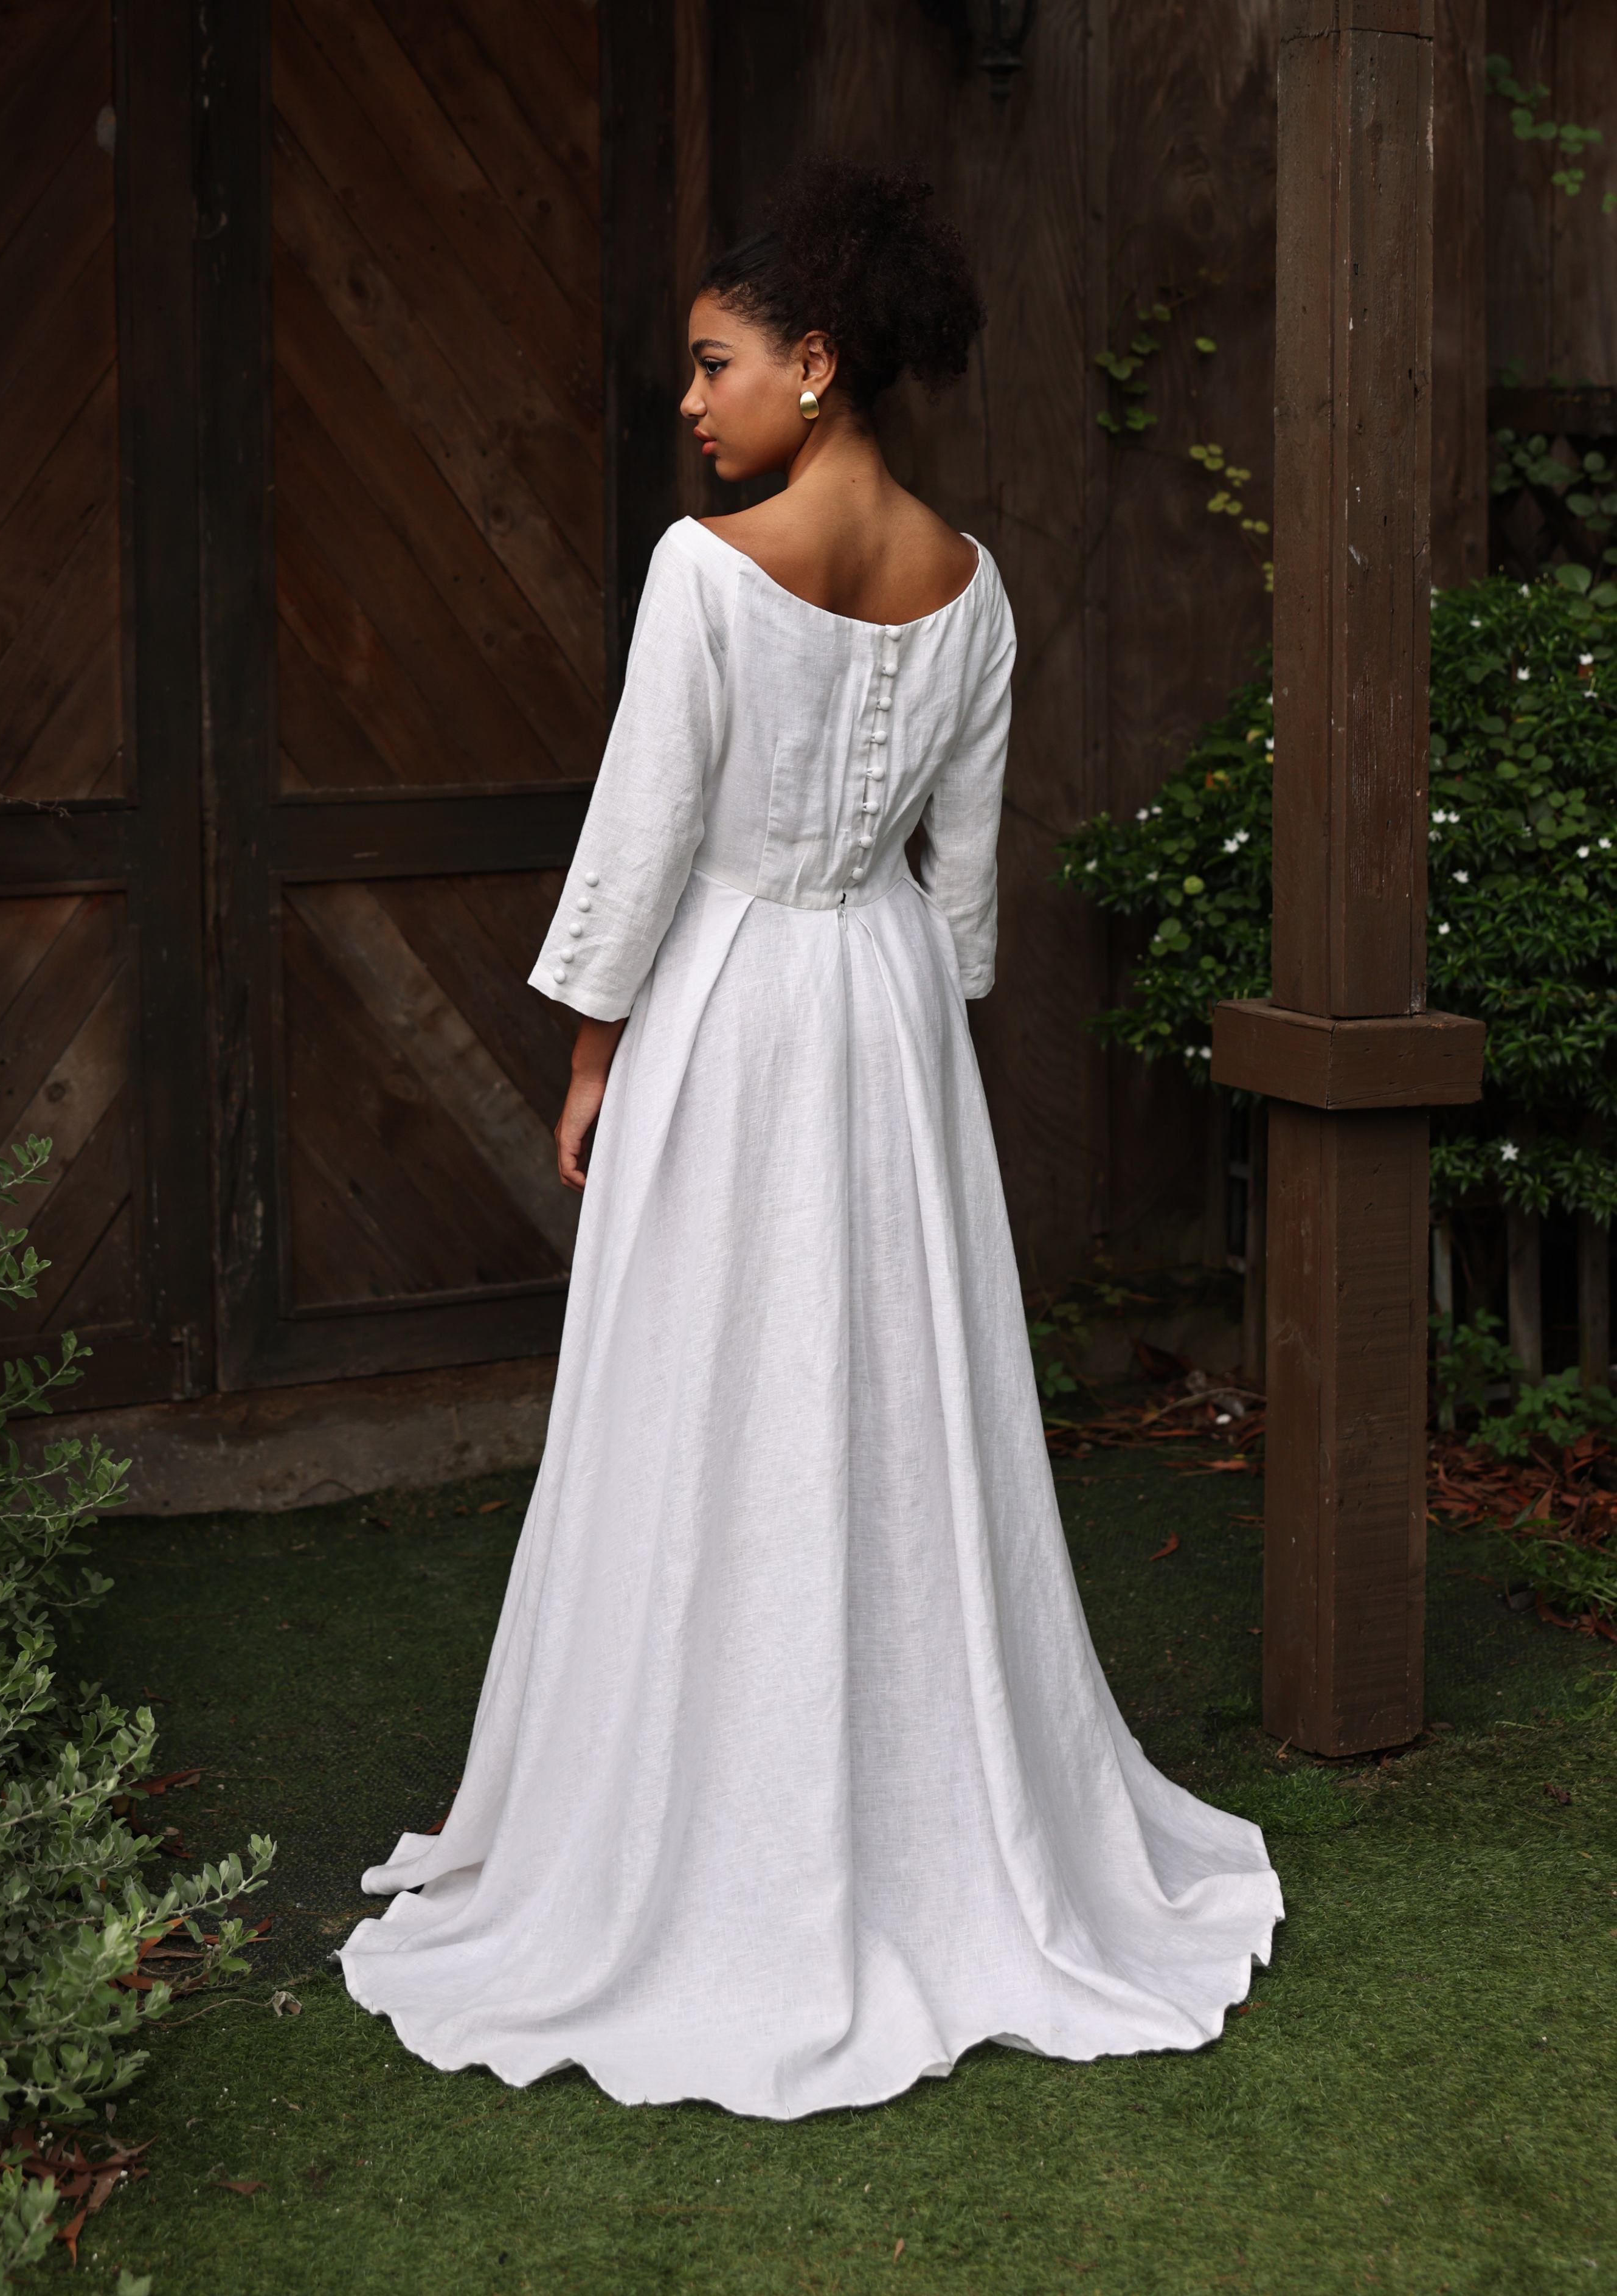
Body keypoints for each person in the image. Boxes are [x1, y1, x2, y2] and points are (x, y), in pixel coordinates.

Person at [340, 161, 1281, 2120]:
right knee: (885, 1402)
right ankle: (912, 1804)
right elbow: (963, 899)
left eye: (714, 362)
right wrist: (905, 1038)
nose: (688, 403)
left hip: (726, 1008)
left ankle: (712, 1819)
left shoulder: (705, 572)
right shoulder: (975, 584)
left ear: (817, 366)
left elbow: (645, 834)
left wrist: (594, 1050)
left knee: (704, 1393)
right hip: (878, 1021)